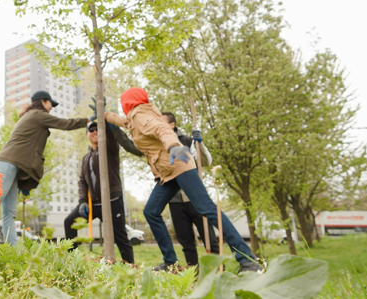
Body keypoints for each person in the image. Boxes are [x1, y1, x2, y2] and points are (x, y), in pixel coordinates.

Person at [104, 87, 261, 273]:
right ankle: (170, 262)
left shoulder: (141, 117)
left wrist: (172, 147)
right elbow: (121, 121)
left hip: (178, 165)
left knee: (207, 208)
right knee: (151, 211)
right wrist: (103, 112)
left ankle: (247, 259)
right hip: (167, 173)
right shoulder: (135, 117)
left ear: (128, 103)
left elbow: (162, 129)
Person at [110, 111, 220, 267]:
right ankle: (192, 276)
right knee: (186, 243)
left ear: (171, 125)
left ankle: (218, 271)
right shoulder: (155, 144)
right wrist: (115, 127)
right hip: (175, 201)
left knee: (210, 240)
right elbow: (131, 146)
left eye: (160, 122)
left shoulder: (186, 141)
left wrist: (199, 143)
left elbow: (206, 161)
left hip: (194, 199)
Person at [0, 90, 93, 246]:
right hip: (7, 163)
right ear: (42, 101)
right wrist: (86, 120)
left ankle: (12, 251)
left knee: (9, 214)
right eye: (50, 103)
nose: (52, 107)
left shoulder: (31, 116)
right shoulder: (37, 114)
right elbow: (64, 124)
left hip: (12, 165)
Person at [63, 121, 134, 264]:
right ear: (87, 135)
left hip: (112, 202)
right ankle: (72, 261)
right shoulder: (86, 158)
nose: (95, 132)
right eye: (91, 130)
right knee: (69, 222)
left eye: (98, 129)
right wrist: (82, 201)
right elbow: (82, 181)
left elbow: (113, 139)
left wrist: (105, 121)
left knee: (120, 235)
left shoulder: (110, 150)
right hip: (93, 205)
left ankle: (130, 265)